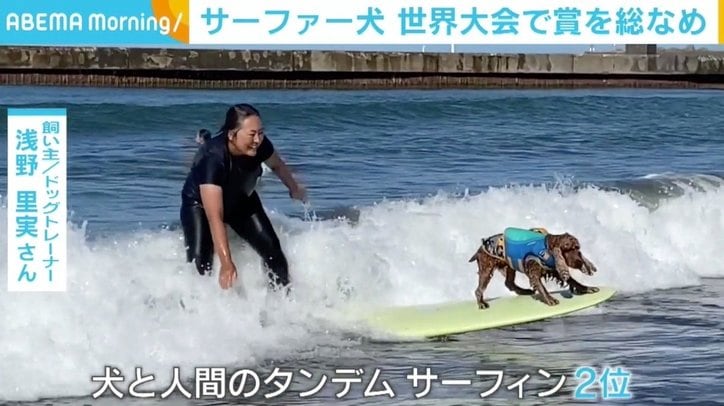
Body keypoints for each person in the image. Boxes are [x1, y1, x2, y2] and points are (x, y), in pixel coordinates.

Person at [180, 103, 307, 291]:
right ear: (232, 135)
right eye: (252, 134)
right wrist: (226, 262)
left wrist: (294, 188)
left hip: (241, 199)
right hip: (199, 206)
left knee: (274, 253)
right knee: (201, 264)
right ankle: (196, 312)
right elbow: (215, 217)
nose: (257, 139)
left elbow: (277, 165)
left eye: (261, 132)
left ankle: (281, 306)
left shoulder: (260, 145)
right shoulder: (213, 158)